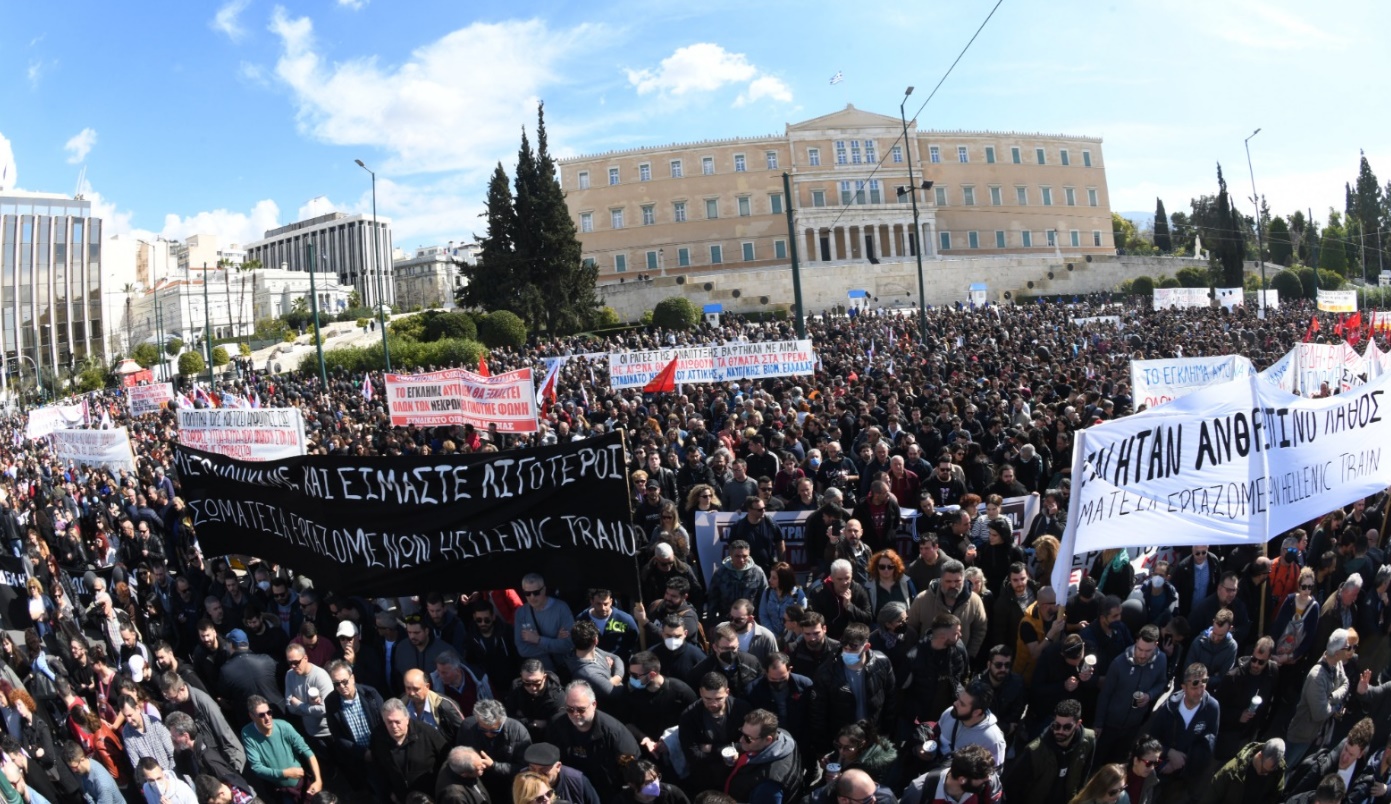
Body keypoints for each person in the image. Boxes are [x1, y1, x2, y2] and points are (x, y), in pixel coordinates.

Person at [545, 681, 639, 801]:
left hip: (606, 792)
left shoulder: (614, 733)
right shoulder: (557, 725)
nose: (575, 714)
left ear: (594, 704)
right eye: (569, 709)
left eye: (581, 709)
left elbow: (630, 769)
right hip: (570, 788)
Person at [808, 623, 895, 747]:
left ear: (866, 647)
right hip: (843, 740)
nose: (847, 652)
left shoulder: (882, 664)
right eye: (844, 647)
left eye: (853, 648)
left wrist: (886, 732)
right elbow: (818, 713)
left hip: (872, 735)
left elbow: (890, 700)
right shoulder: (827, 672)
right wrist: (822, 746)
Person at [1144, 664, 1219, 804]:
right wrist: (1169, 753)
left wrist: (1181, 761)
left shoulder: (1212, 708)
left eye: (1203, 686)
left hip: (1186, 777)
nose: (1199, 692)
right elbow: (1150, 740)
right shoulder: (1169, 707)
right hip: (1162, 770)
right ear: (1184, 688)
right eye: (1194, 688)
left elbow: (1208, 745)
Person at [1004, 699, 1096, 804]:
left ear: (1078, 724)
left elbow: (1085, 774)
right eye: (1056, 726)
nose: (1060, 731)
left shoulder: (1088, 740)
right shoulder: (1035, 751)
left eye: (1067, 727)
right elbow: (1013, 788)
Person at [1286, 628, 1354, 769]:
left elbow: (1346, 683)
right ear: (1336, 653)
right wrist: (1335, 706)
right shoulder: (1316, 677)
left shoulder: (1337, 664)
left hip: (1316, 735)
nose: (1349, 649)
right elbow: (1320, 713)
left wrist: (1332, 697)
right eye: (1346, 647)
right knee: (1285, 769)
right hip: (1301, 736)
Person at [241, 694, 324, 800]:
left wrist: (318, 780)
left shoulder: (284, 726)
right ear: (252, 716)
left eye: (269, 712)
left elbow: (307, 751)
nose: (267, 718)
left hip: (301, 783)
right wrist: (285, 773)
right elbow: (257, 768)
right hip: (280, 790)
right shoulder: (248, 733)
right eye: (261, 715)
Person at [679, 673, 751, 792]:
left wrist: (713, 749)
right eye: (707, 699)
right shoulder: (689, 716)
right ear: (701, 692)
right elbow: (693, 756)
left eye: (718, 699)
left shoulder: (742, 709)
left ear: (727, 692)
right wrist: (730, 750)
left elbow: (752, 742)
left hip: (740, 774)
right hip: (707, 778)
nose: (713, 704)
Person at [906, 559, 990, 660]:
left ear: (963, 580)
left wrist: (970, 655)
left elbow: (980, 629)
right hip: (927, 661)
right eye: (948, 581)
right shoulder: (922, 599)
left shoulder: (975, 601)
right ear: (941, 580)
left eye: (957, 581)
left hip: (959, 660)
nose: (953, 585)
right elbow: (911, 628)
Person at [324, 658, 385, 796]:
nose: (342, 687)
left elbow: (384, 723)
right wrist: (362, 753)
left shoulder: (371, 695)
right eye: (337, 684)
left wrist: (377, 750)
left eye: (344, 681)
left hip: (380, 751)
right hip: (357, 756)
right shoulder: (331, 702)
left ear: (352, 678)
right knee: (372, 788)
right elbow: (337, 735)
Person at [455, 698, 533, 804]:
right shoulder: (467, 727)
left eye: (494, 731)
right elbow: (460, 753)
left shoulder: (518, 731)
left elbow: (525, 768)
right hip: (480, 783)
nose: (488, 734)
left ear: (502, 720)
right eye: (483, 730)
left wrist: (494, 766)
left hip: (509, 787)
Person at [371, 697, 449, 801]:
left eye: (397, 721)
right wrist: (389, 792)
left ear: (407, 719)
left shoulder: (427, 733)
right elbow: (378, 768)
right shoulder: (378, 737)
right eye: (389, 722)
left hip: (431, 796)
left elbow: (447, 759)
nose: (394, 726)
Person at [1284, 717, 1375, 802]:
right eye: (1346, 749)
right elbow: (1294, 798)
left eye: (1351, 755)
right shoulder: (1320, 769)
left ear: (1360, 755)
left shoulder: (1358, 775)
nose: (1345, 757)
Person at [722, 709, 802, 804]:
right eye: (742, 733)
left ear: (768, 740)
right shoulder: (783, 735)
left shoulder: (768, 787)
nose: (741, 740)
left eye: (748, 738)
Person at [514, 575, 575, 674]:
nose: (532, 597)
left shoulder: (561, 608)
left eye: (536, 592)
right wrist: (555, 640)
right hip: (536, 674)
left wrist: (538, 640)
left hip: (561, 669)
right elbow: (522, 650)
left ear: (544, 590)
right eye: (527, 593)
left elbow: (568, 645)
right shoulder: (521, 612)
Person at [900, 743, 998, 804]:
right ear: (962, 780)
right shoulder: (919, 790)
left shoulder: (988, 780)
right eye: (982, 777)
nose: (988, 778)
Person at [1201, 738, 1285, 804]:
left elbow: (1274, 796)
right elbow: (1210, 797)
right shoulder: (1231, 771)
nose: (1266, 774)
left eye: (1270, 771)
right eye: (1264, 770)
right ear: (1259, 755)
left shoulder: (1278, 772)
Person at [707, 542, 770, 627]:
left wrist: (762, 623)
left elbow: (765, 599)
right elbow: (712, 600)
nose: (741, 560)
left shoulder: (758, 572)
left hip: (751, 622)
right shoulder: (720, 573)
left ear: (749, 554)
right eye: (737, 556)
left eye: (744, 556)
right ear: (730, 555)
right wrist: (712, 624)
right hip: (727, 623)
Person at [523, 742, 600, 804]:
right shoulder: (522, 780)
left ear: (558, 766)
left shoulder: (578, 782)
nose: (537, 774)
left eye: (543, 769)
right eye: (532, 769)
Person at [757, 564, 807, 638]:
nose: (770, 580)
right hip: (771, 636)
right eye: (770, 576)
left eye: (774, 578)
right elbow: (763, 615)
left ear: (783, 580)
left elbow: (803, 618)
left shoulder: (798, 594)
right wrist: (772, 635)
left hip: (793, 638)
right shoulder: (767, 592)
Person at [866, 549, 915, 620]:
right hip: (880, 628)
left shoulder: (906, 582)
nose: (886, 570)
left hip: (905, 626)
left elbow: (915, 606)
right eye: (882, 567)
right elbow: (868, 614)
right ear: (876, 567)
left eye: (890, 567)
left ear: (895, 567)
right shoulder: (869, 587)